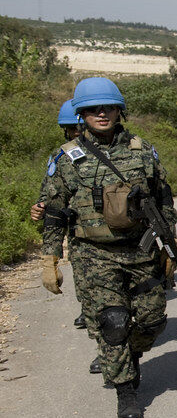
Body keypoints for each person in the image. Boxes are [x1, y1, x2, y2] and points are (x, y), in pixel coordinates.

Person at [40, 78, 175, 418]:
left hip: (140, 251)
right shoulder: (68, 157)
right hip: (93, 254)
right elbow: (55, 209)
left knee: (152, 319)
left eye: (108, 108)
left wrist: (168, 247)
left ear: (119, 111)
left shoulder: (142, 150)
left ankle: (127, 356)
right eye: (93, 109)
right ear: (81, 114)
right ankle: (125, 390)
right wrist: (50, 257)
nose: (102, 113)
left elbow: (163, 198)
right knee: (113, 321)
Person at [31, 100, 95, 343]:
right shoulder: (62, 157)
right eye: (71, 130)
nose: (75, 135)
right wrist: (40, 207)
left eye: (79, 130)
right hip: (82, 235)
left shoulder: (123, 152)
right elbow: (50, 197)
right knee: (89, 289)